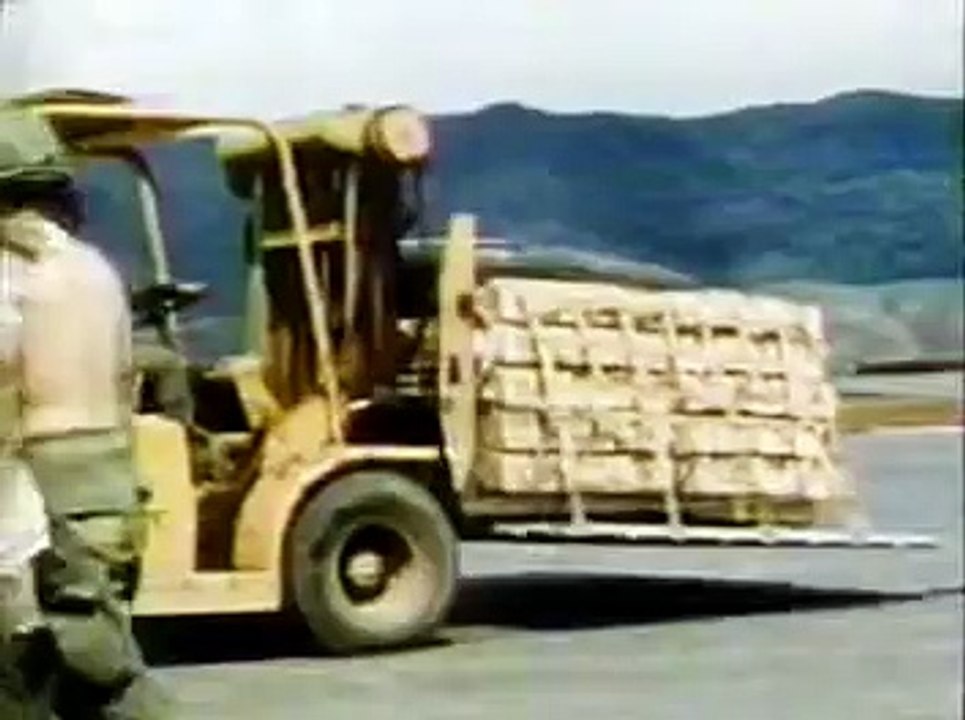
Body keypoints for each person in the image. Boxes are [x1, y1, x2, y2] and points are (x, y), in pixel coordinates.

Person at [0, 105, 173, 719]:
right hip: (113, 486)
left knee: (47, 679)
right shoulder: (96, 269)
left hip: (45, 492)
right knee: (90, 663)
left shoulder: (11, 271)